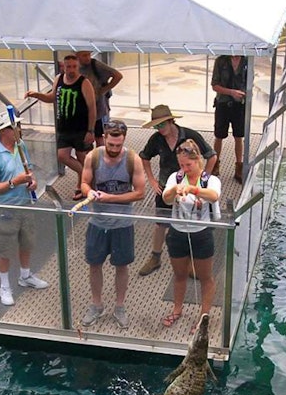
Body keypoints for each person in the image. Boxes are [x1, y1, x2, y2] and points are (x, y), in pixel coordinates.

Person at [77, 119, 146, 328]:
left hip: (123, 224)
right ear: (104, 139)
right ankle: (96, 304)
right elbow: (84, 182)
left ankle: (119, 306)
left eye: (118, 145)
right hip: (98, 222)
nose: (114, 149)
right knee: (94, 264)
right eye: (111, 145)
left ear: (124, 141)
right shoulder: (93, 157)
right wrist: (89, 192)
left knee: (122, 265)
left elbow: (140, 193)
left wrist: (110, 198)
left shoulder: (133, 159)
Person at [136, 104, 216, 277]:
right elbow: (145, 157)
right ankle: (155, 257)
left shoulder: (190, 135)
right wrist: (152, 180)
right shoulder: (156, 139)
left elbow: (212, 155)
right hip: (167, 186)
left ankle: (194, 262)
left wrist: (204, 180)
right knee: (160, 224)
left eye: (162, 124)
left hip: (191, 187)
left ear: (171, 121)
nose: (159, 128)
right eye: (156, 126)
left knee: (194, 223)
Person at [0, 111, 49, 306]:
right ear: (4, 131)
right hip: (6, 210)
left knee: (27, 242)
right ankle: (4, 286)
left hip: (25, 204)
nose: (19, 130)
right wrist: (14, 182)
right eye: (15, 127)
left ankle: (25, 276)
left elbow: (28, 172)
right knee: (5, 249)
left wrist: (32, 182)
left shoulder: (20, 146)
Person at [160, 139, 222, 329]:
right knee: (179, 274)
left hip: (201, 233)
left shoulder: (210, 180)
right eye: (181, 165)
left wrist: (194, 189)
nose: (185, 168)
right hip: (177, 233)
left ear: (198, 161)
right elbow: (166, 199)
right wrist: (173, 190)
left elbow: (214, 195)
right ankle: (177, 310)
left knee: (205, 276)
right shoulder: (175, 178)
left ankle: (204, 315)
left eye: (189, 164)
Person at [25, 54, 96, 200]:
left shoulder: (84, 83)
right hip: (64, 128)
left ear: (78, 67)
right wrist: (37, 94)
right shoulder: (59, 79)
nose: (71, 70)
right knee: (62, 156)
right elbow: (52, 97)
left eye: (74, 66)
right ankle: (86, 178)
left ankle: (83, 186)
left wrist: (90, 130)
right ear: (63, 67)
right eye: (68, 66)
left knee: (83, 157)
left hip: (80, 129)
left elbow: (92, 108)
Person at [211, 54, 248, 184]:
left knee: (239, 136)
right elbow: (215, 85)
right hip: (223, 103)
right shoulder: (221, 61)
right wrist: (231, 92)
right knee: (219, 135)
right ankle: (214, 165)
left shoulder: (247, 60)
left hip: (239, 105)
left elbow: (250, 83)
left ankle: (239, 167)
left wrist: (243, 94)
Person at [76, 50, 123, 147]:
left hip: (98, 108)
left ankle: (100, 157)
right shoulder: (75, 67)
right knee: (84, 136)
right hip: (82, 108)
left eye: (89, 55)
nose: (87, 58)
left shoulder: (95, 65)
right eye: (84, 55)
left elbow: (118, 76)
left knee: (99, 135)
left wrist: (104, 90)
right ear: (77, 56)